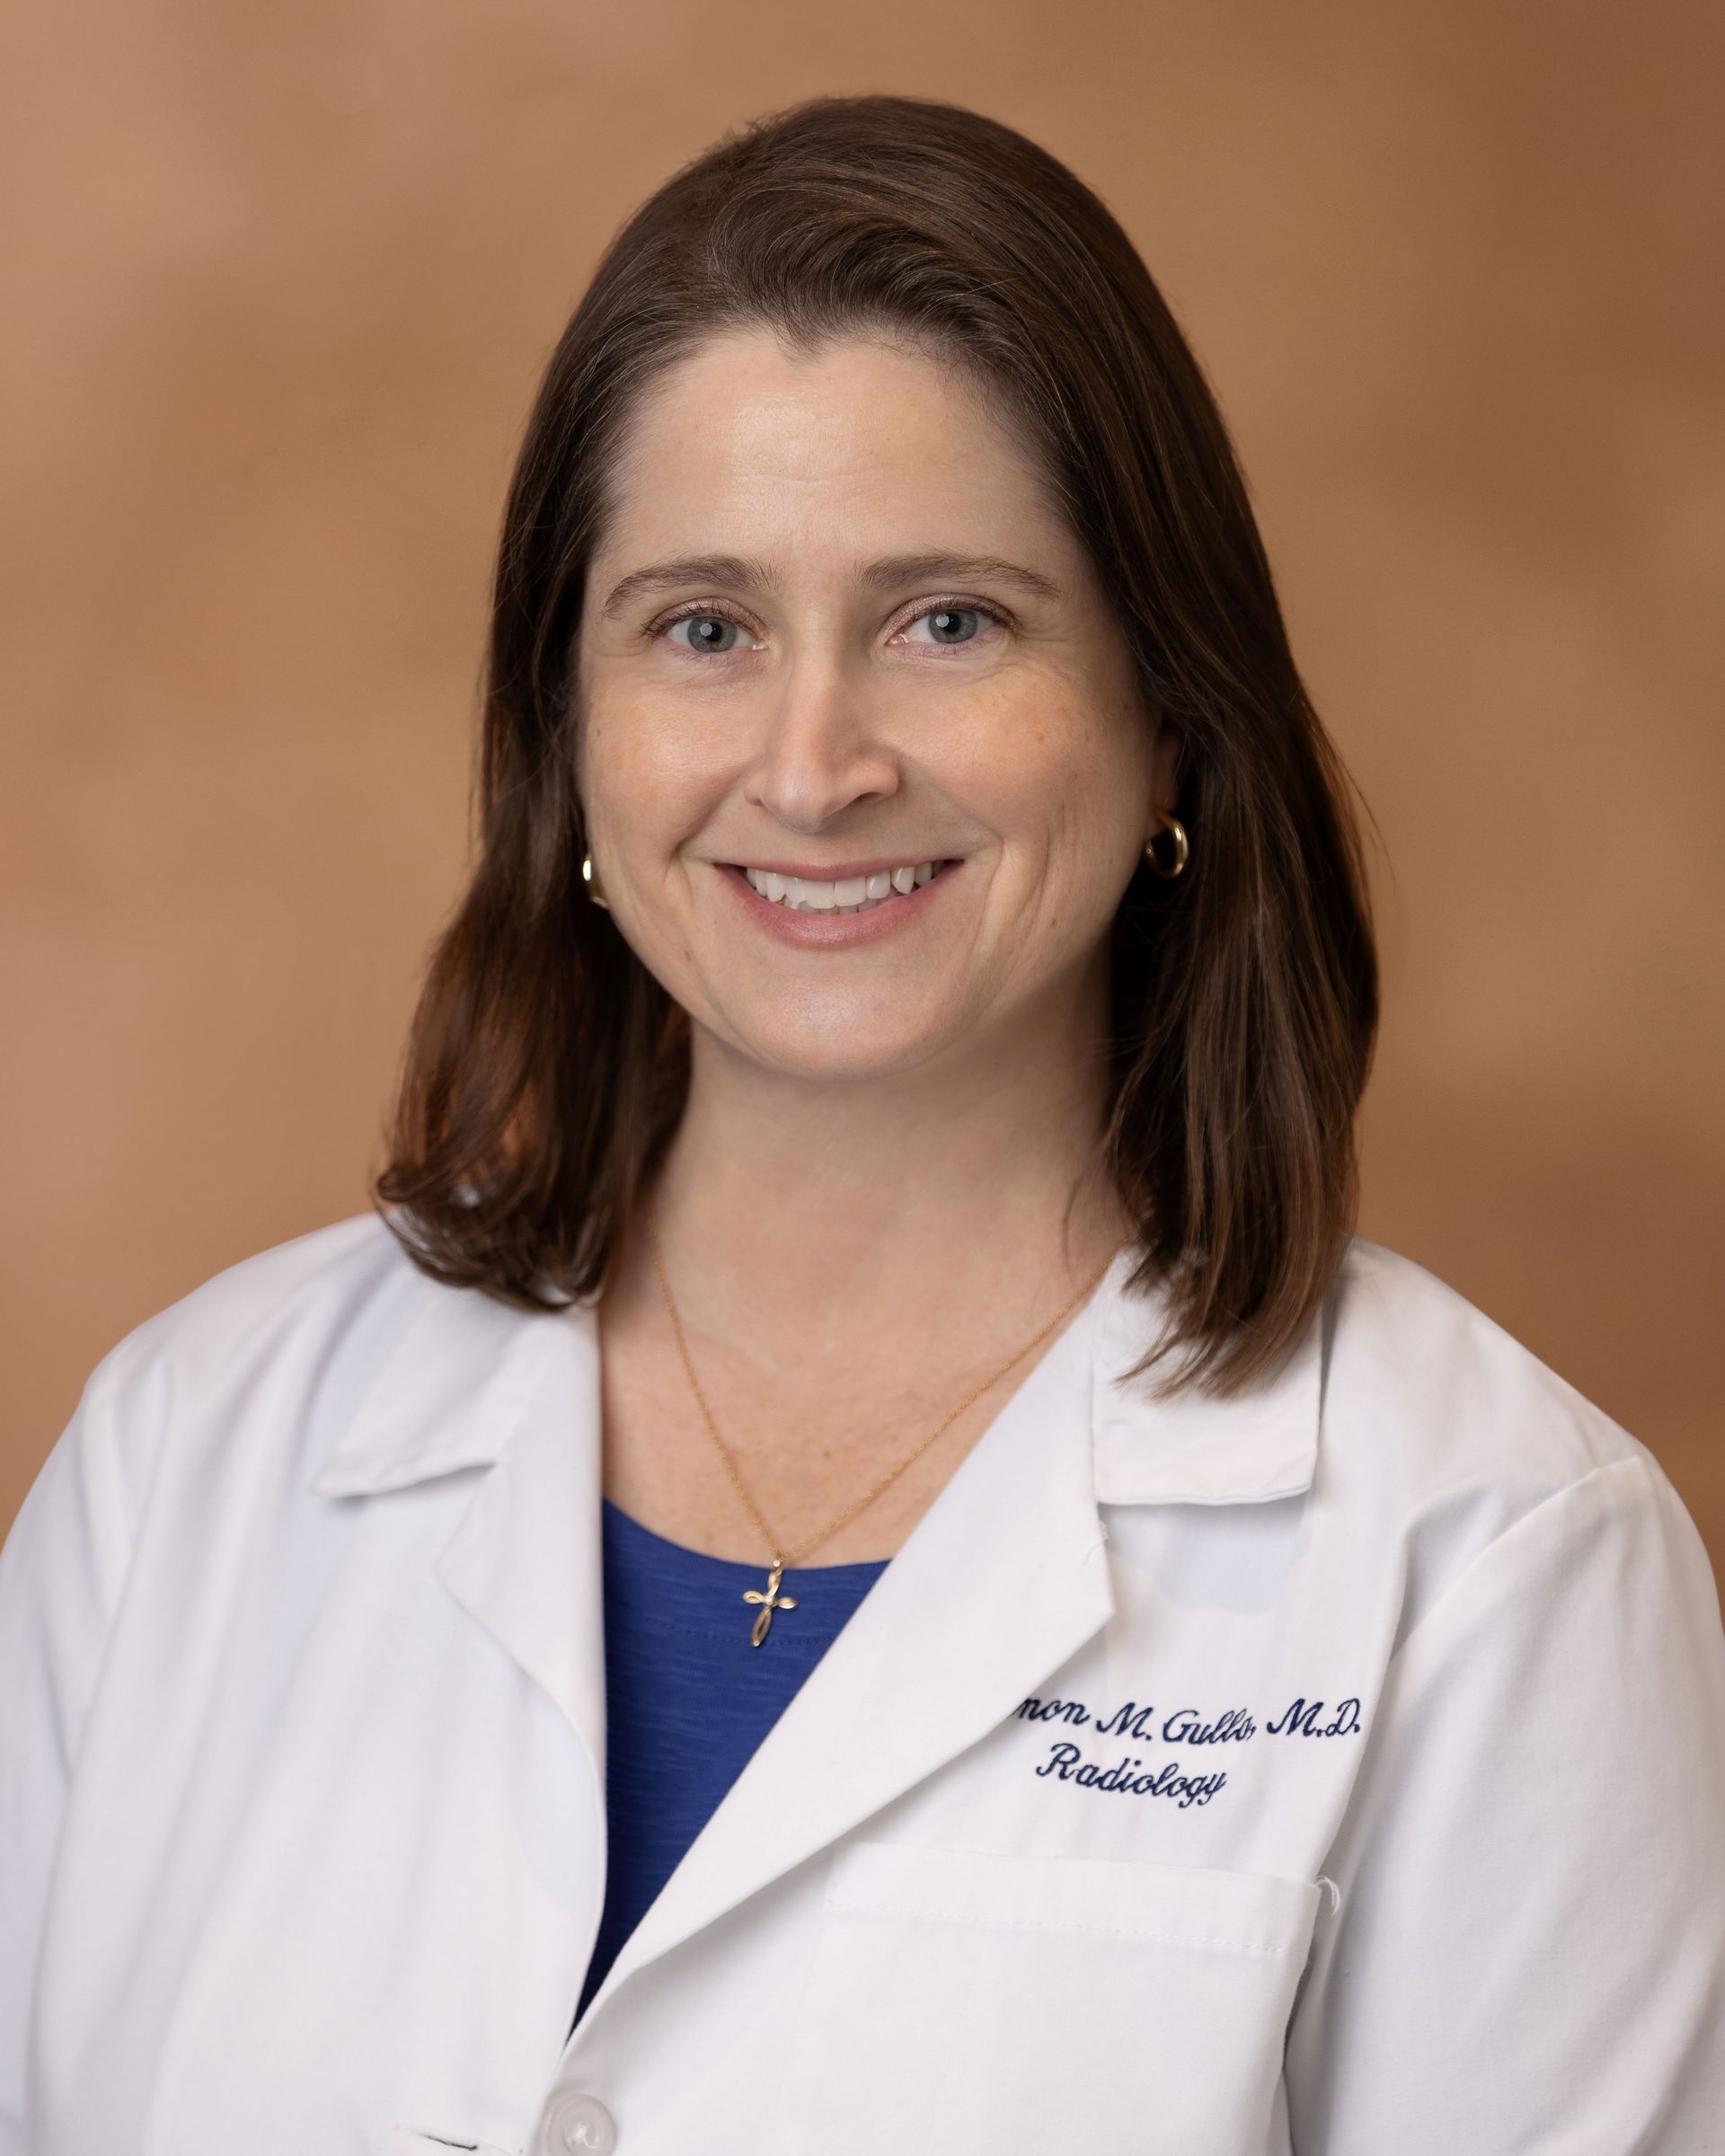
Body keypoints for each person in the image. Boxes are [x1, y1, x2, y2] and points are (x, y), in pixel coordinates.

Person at [3, 91, 1722, 2156]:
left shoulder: (1497, 1559)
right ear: (567, 733)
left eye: (951, 621)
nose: (814, 769)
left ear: (1168, 709)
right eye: (703, 628)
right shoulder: (185, 1460)